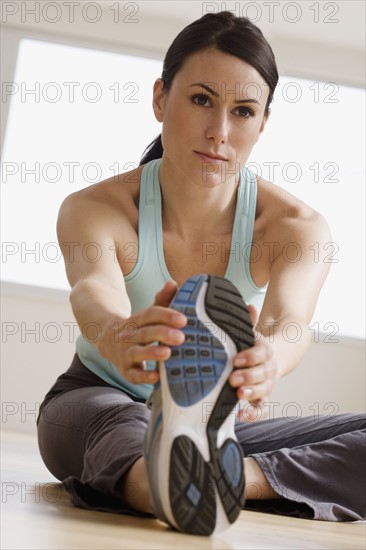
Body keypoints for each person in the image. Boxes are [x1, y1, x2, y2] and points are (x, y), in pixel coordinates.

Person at [37, 10, 365, 535]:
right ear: (160, 99)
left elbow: (290, 322)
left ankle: (231, 479)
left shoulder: (296, 226)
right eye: (201, 100)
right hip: (100, 397)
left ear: (263, 124)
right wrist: (118, 335)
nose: (219, 131)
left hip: (221, 425)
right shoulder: (97, 207)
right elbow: (92, 289)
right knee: (125, 425)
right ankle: (168, 479)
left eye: (242, 111)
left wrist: (270, 363)